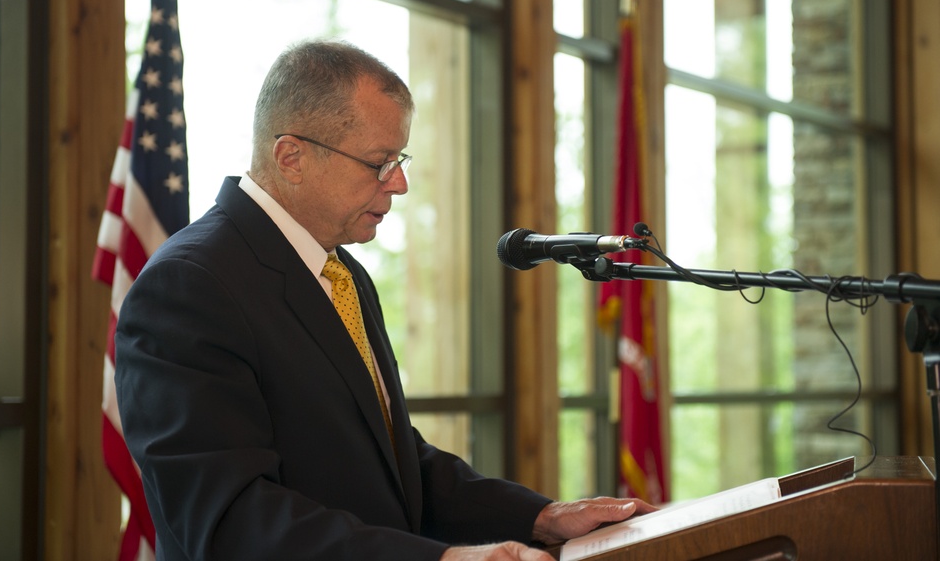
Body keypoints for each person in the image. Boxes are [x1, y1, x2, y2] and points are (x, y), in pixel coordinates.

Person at [114, 39, 654, 560]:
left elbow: (393, 464)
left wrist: (542, 517)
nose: (399, 185)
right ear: (292, 157)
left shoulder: (341, 271)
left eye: (400, 159)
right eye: (380, 162)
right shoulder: (189, 286)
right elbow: (231, 519)